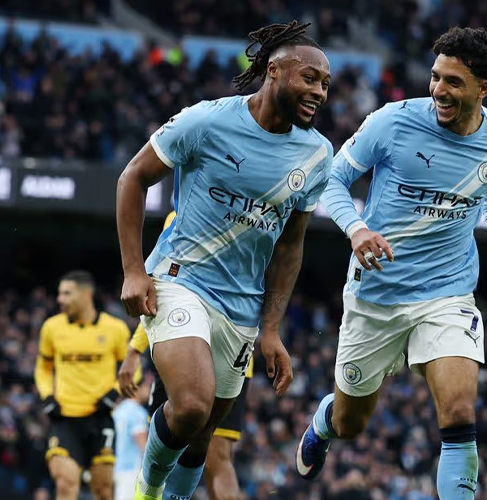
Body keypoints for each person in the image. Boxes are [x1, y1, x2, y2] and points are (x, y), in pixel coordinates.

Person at [296, 26, 487, 499]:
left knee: (458, 411)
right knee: (351, 423)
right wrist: (356, 229)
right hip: (377, 293)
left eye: (453, 82)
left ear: (484, 88)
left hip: (447, 293)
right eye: (436, 77)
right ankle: (324, 421)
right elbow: (333, 179)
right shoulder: (392, 122)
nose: (439, 90)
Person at [115, 20, 332, 500]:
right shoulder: (206, 121)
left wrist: (271, 329)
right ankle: (147, 491)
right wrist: (133, 270)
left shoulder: (317, 155)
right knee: (191, 405)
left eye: (325, 84)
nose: (319, 92)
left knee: (202, 437)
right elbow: (133, 177)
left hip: (242, 309)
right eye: (309, 78)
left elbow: (290, 246)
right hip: (180, 279)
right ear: (273, 70)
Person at [120, 215, 252, 500]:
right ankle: (153, 490)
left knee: (194, 441)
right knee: (213, 452)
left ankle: (152, 490)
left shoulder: (184, 214)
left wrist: (134, 350)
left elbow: (164, 290)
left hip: (193, 341)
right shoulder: (261, 211)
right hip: (228, 343)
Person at [34, 270, 131, 500]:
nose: (60, 299)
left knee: (103, 490)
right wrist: (47, 396)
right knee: (65, 482)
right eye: (60, 293)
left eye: (67, 294)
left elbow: (133, 369)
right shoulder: (51, 328)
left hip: (100, 417)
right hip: (64, 418)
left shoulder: (115, 329)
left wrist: (114, 393)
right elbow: (43, 367)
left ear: (87, 294)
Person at [113, 378, 151, 500]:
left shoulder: (119, 409)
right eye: (146, 387)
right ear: (137, 388)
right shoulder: (138, 413)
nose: (149, 391)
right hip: (132, 468)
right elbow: (142, 443)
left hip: (115, 465)